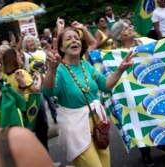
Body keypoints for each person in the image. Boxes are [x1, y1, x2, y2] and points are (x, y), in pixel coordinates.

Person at [42, 20, 136, 167]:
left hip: (98, 123)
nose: (74, 40)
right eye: (68, 38)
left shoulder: (85, 65)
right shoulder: (59, 69)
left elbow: (105, 85)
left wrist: (120, 69)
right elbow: (48, 90)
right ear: (61, 47)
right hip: (75, 128)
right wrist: (52, 69)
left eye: (77, 38)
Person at [111, 20, 165, 167]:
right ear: (119, 37)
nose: (130, 28)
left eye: (130, 26)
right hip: (132, 94)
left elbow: (164, 49)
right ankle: (145, 152)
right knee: (139, 121)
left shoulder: (146, 40)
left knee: (157, 117)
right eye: (125, 28)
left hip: (153, 88)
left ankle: (162, 143)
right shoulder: (115, 54)